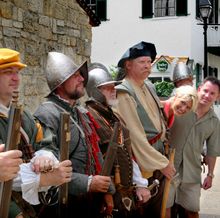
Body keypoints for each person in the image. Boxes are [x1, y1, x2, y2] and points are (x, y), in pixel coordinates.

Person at [34, 52, 115, 218]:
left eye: (80, 75)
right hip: (62, 205)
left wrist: (107, 191)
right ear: (60, 84)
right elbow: (49, 169)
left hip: (89, 202)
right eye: (75, 76)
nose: (82, 79)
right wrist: (88, 183)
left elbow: (96, 153)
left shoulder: (81, 112)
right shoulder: (47, 113)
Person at [0, 48, 72, 218]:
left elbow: (45, 142)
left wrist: (43, 157)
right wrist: (42, 179)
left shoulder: (23, 115)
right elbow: (5, 170)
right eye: (7, 72)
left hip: (28, 204)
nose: (16, 78)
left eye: (17, 72)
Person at [114, 41, 176, 217]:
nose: (148, 66)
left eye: (149, 62)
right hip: (141, 164)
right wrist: (161, 163)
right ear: (128, 65)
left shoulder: (148, 86)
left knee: (159, 209)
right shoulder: (124, 92)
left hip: (158, 156)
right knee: (145, 210)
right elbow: (134, 136)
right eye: (142, 62)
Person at [85, 63, 151, 218]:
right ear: (96, 91)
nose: (114, 91)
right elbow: (94, 161)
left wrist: (140, 183)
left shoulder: (114, 116)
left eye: (113, 87)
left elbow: (126, 152)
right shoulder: (88, 117)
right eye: (108, 88)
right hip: (105, 196)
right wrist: (107, 195)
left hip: (124, 193)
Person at [166, 76, 220, 218]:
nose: (207, 96)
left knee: (192, 210)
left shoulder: (214, 122)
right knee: (165, 209)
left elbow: (212, 151)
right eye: (205, 91)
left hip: (192, 171)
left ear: (217, 97)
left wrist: (210, 174)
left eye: (212, 93)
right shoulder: (182, 106)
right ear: (199, 89)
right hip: (168, 168)